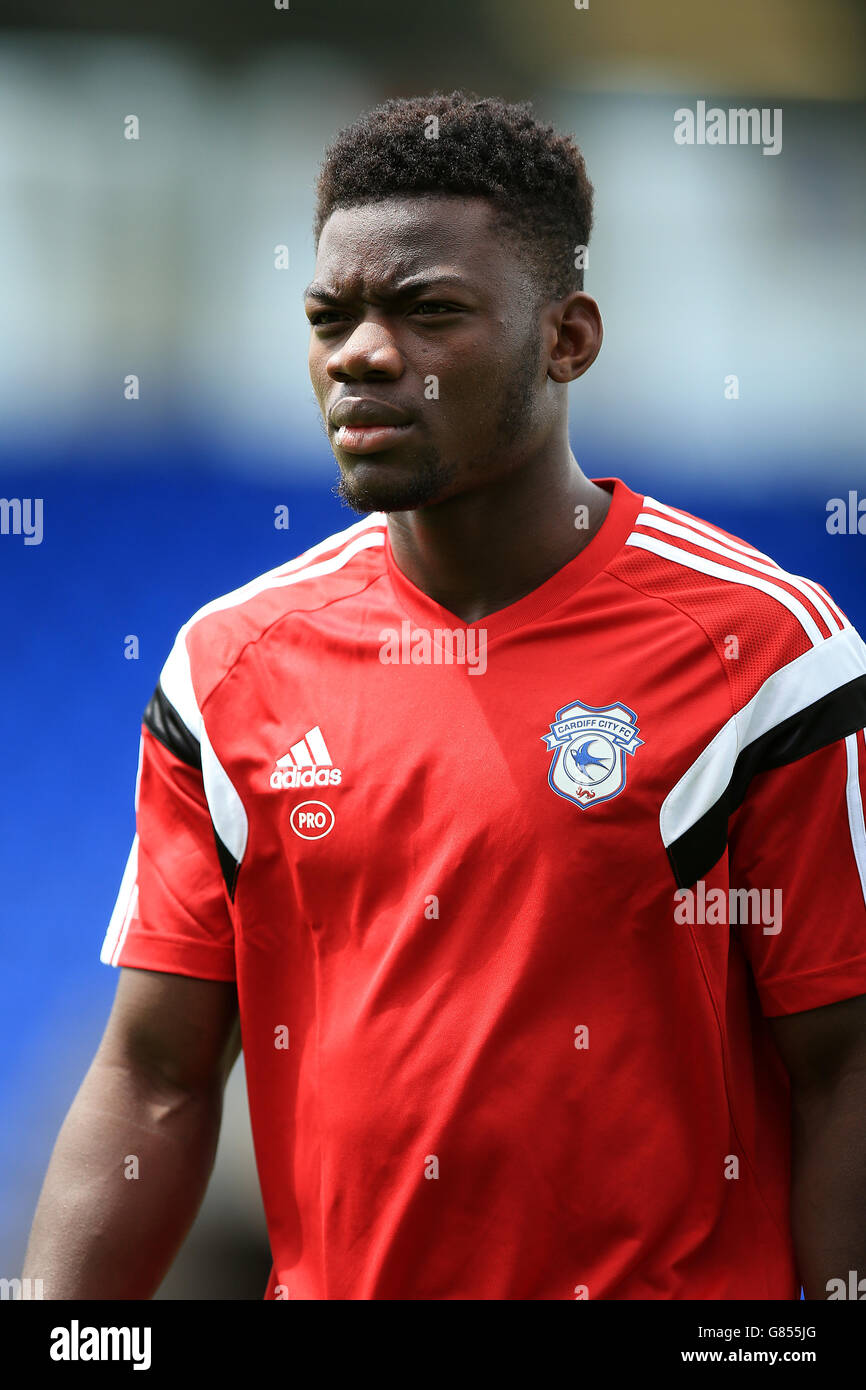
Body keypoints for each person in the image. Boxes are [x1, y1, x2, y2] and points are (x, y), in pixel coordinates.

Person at [24, 91, 866, 1300]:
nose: (361, 354)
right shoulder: (230, 663)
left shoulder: (765, 650)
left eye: (426, 311)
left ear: (565, 338)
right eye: (331, 316)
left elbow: (844, 1067)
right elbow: (153, 1074)